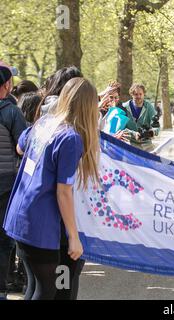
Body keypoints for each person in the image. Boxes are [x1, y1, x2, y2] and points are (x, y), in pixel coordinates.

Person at [3, 77, 100, 300]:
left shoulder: (45, 123)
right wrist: (74, 237)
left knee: (35, 287)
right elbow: (63, 191)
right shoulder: (70, 138)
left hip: (20, 215)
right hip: (40, 222)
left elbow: (19, 147)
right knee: (47, 290)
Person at [0, 66, 28, 300]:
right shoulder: (11, 112)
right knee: (3, 241)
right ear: (8, 85)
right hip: (5, 184)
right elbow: (24, 146)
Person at [121, 83, 159, 151]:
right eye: (136, 94)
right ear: (131, 94)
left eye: (140, 94)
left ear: (144, 94)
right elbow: (121, 128)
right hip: (130, 144)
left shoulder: (149, 107)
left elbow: (156, 126)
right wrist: (134, 134)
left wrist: (152, 132)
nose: (138, 96)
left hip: (147, 144)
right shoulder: (124, 107)